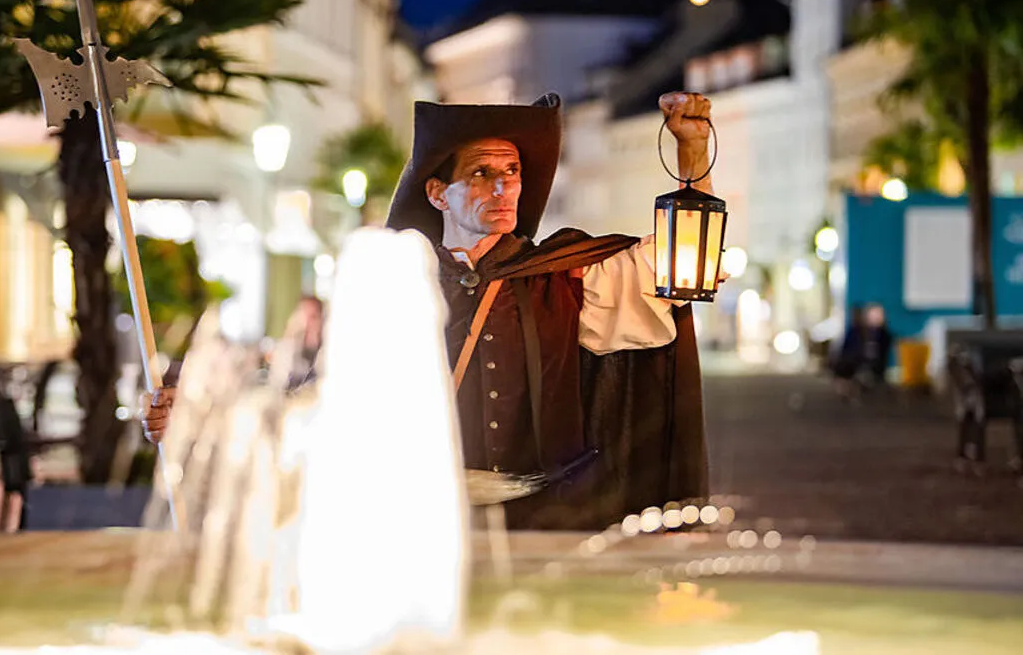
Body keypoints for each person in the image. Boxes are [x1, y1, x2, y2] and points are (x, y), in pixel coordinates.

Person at [145, 92, 711, 530]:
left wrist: (691, 153)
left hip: (549, 514)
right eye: (481, 173)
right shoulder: (396, 287)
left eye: (512, 172)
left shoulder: (562, 276)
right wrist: (196, 416)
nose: (503, 187)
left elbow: (680, 269)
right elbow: (326, 397)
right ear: (439, 193)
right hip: (423, 517)